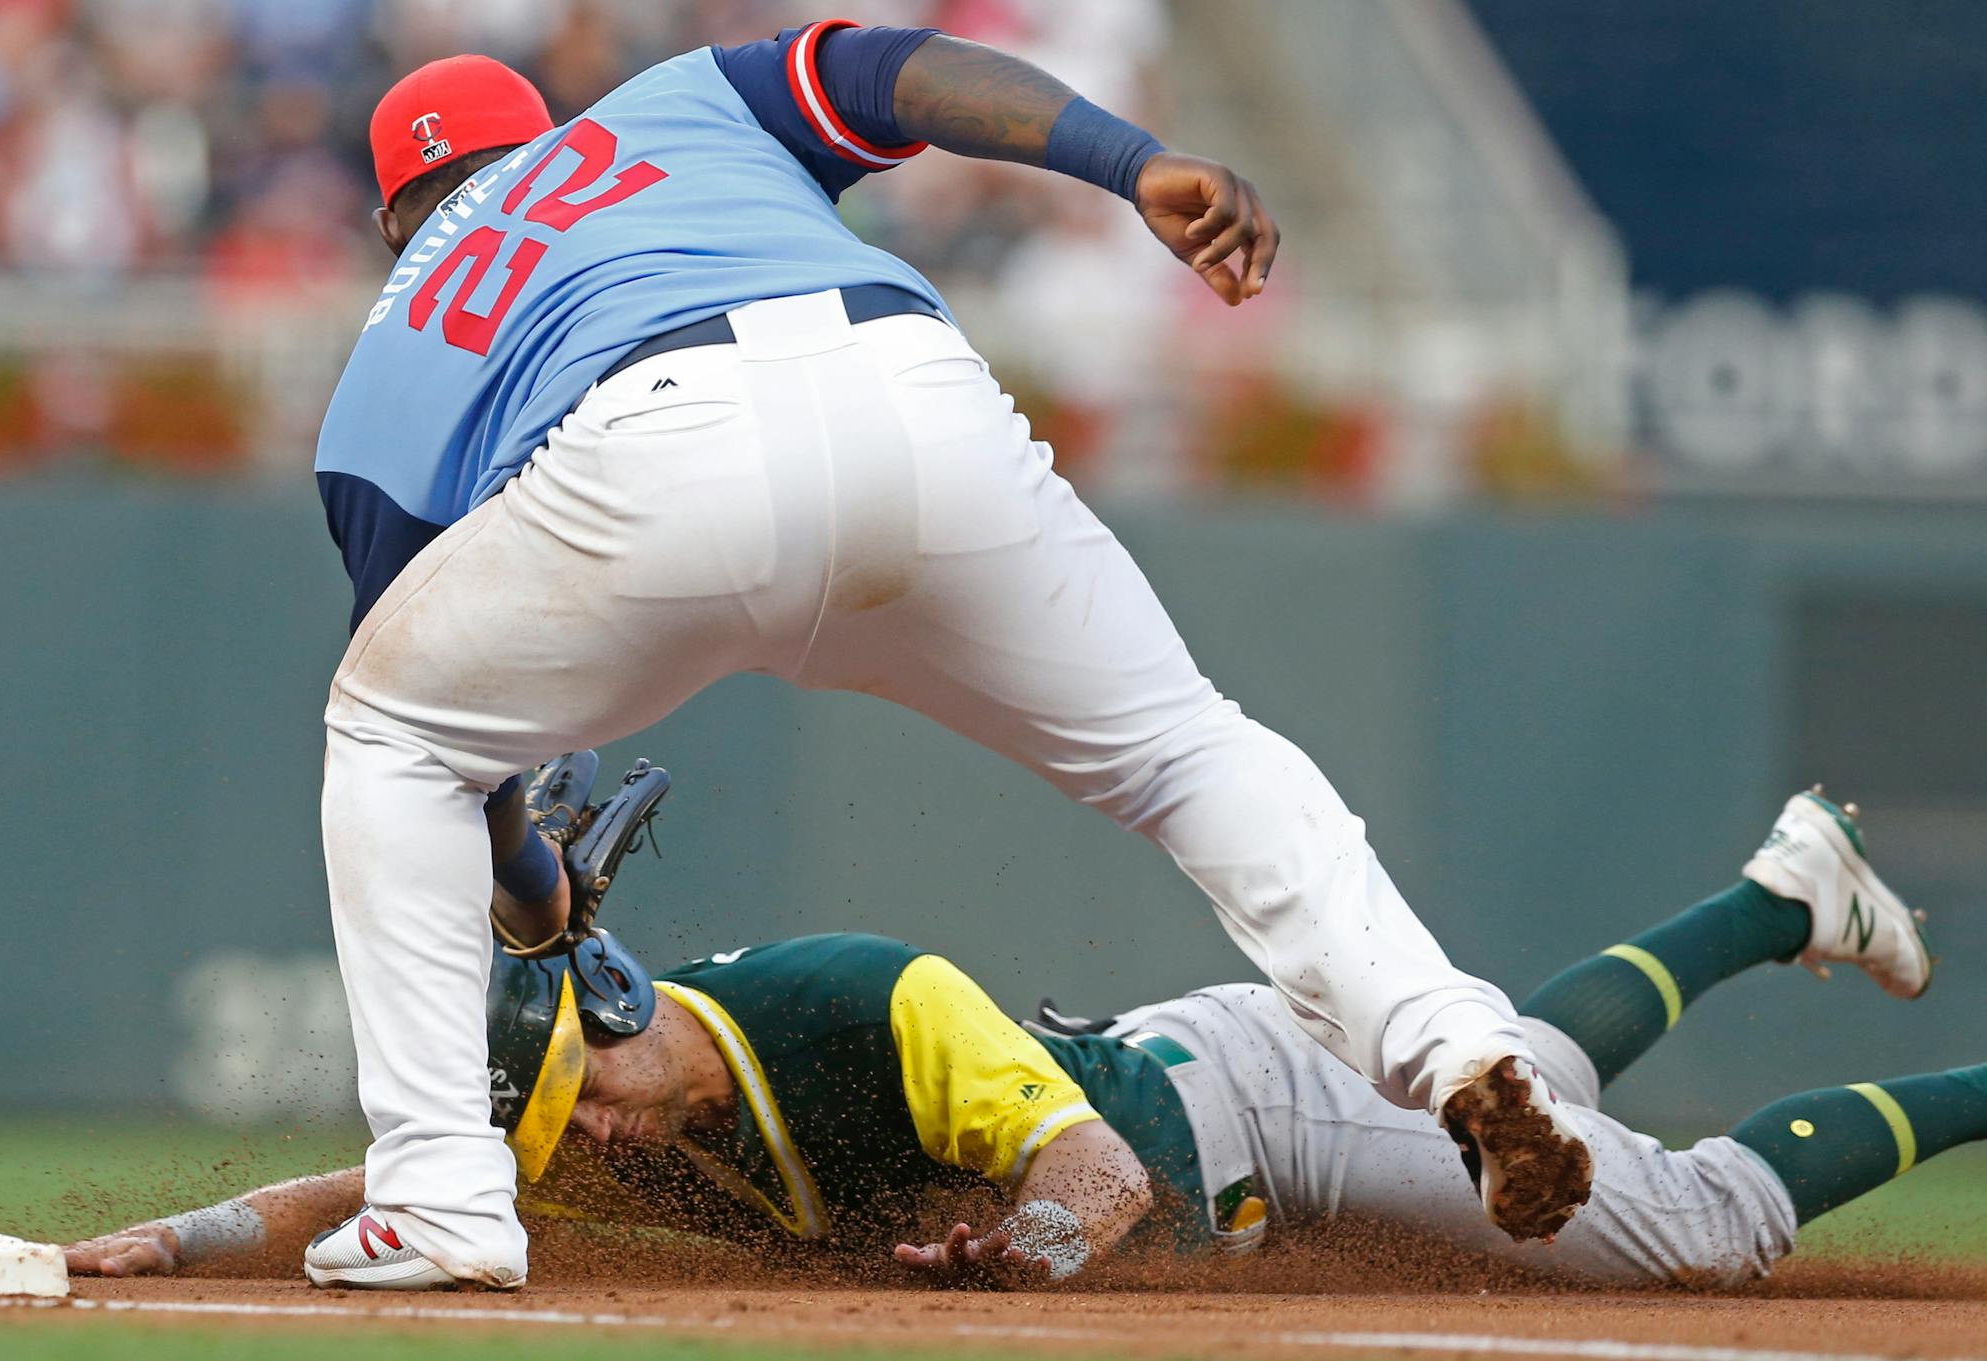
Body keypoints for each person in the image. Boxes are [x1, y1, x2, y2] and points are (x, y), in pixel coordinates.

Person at [313, 21, 1576, 1290]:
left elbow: (462, 775)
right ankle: (1458, 1041)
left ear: (391, 225)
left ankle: (436, 1201)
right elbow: (892, 69)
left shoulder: (394, 344)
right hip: (911, 395)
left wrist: (532, 899)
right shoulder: (665, 106)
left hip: (649, 458)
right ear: (551, 137)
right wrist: (1128, 161)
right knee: (1185, 749)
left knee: (390, 735)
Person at [70, 789, 1966, 1290]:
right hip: (1219, 1088)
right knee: (1531, 1063)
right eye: (562, 1131)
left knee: (1706, 1222)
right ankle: (1794, 892)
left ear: (625, 1015)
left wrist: (1031, 1247)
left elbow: (1098, 1178)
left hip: (1259, 1115)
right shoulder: (603, 1114)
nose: (599, 1148)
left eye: (593, 1099)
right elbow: (405, 1179)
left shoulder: (861, 996)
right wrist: (179, 1241)